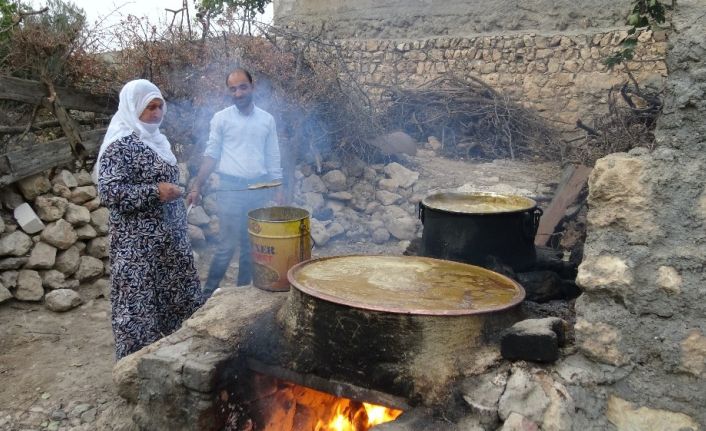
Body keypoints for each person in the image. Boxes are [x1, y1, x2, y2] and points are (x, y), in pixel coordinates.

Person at [97, 79, 204, 360]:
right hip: (137, 243)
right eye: (149, 107)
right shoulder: (120, 144)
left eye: (159, 106)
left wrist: (182, 194)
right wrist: (155, 192)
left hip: (169, 238)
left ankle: (176, 353)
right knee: (140, 302)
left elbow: (168, 183)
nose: (156, 113)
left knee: (176, 294)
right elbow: (110, 192)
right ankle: (136, 366)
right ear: (133, 108)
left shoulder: (158, 139)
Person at [187, 68, 283, 298]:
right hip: (230, 189)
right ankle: (206, 297)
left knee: (252, 247)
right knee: (226, 247)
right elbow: (211, 155)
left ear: (252, 87)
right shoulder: (221, 118)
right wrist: (197, 186)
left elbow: (273, 157)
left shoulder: (266, 120)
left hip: (258, 190)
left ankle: (242, 296)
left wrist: (278, 189)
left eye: (242, 87)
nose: (238, 93)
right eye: (233, 89)